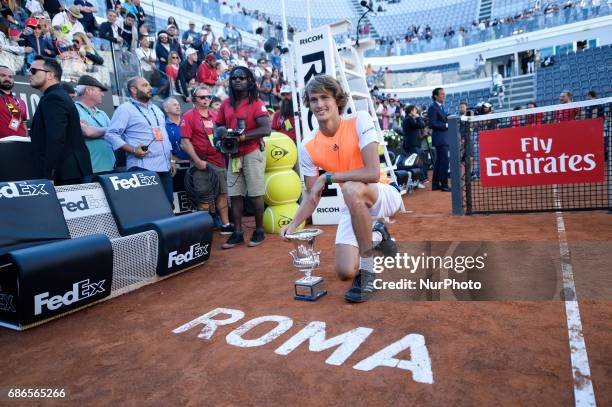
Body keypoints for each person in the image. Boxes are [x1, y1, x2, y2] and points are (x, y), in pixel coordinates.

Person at [279, 75, 402, 303]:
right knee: (345, 272)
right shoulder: (307, 146)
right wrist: (293, 224)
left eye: (325, 97)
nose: (319, 104)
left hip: (382, 193)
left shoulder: (359, 120)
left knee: (351, 189)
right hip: (352, 202)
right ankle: (378, 234)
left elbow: (372, 172)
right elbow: (312, 195)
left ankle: (368, 272)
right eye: (314, 99)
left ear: (337, 100)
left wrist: (328, 177)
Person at [214, 66, 270, 249]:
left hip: (252, 151)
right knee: (235, 195)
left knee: (255, 194)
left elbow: (266, 129)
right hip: (233, 155)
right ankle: (237, 232)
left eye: (242, 78)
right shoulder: (226, 104)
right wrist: (220, 135)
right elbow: (217, 125)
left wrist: (243, 137)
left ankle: (259, 230)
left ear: (250, 81)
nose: (237, 80)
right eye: (233, 78)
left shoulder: (256, 103)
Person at [105, 76, 176, 204]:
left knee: (168, 205)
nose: (150, 88)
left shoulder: (156, 109)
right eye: (145, 85)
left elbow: (164, 136)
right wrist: (132, 150)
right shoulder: (125, 109)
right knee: (150, 207)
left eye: (149, 85)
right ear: (133, 89)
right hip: (143, 168)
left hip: (164, 167)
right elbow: (111, 134)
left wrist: (170, 160)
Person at [29, 55, 92, 184]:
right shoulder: (57, 95)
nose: (29, 74)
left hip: (63, 174)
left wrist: (49, 174)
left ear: (50, 75)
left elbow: (56, 138)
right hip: (68, 171)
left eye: (34, 71)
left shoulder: (53, 98)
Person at [180, 86, 232, 233]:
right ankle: (204, 230)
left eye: (208, 97)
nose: (206, 100)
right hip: (201, 163)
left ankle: (226, 225)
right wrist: (196, 160)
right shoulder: (188, 116)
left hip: (219, 161)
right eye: (202, 97)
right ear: (194, 99)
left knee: (222, 193)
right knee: (204, 197)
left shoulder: (216, 116)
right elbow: (185, 141)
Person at [75, 75, 114, 174]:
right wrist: (109, 129)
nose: (103, 94)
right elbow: (88, 132)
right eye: (99, 90)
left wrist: (97, 131)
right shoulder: (74, 109)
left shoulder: (102, 113)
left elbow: (113, 135)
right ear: (88, 91)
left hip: (111, 167)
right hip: (90, 169)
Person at [427, 88, 451, 192]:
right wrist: (446, 125)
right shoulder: (433, 107)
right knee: (444, 162)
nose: (444, 95)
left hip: (443, 139)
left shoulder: (440, 107)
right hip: (440, 139)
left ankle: (436, 184)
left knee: (439, 162)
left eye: (444, 94)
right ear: (436, 96)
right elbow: (432, 124)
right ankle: (444, 185)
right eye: (441, 94)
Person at [402, 105, 427, 189]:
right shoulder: (408, 120)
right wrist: (419, 117)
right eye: (415, 110)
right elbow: (421, 125)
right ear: (411, 111)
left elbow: (421, 125)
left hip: (415, 144)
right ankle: (417, 181)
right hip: (412, 145)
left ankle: (417, 181)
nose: (416, 111)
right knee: (416, 163)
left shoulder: (410, 119)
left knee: (417, 163)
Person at [0, 65, 27, 139]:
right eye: (3, 75)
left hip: (22, 144)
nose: (7, 78)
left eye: (10, 77)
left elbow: (23, 124)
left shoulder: (20, 101)